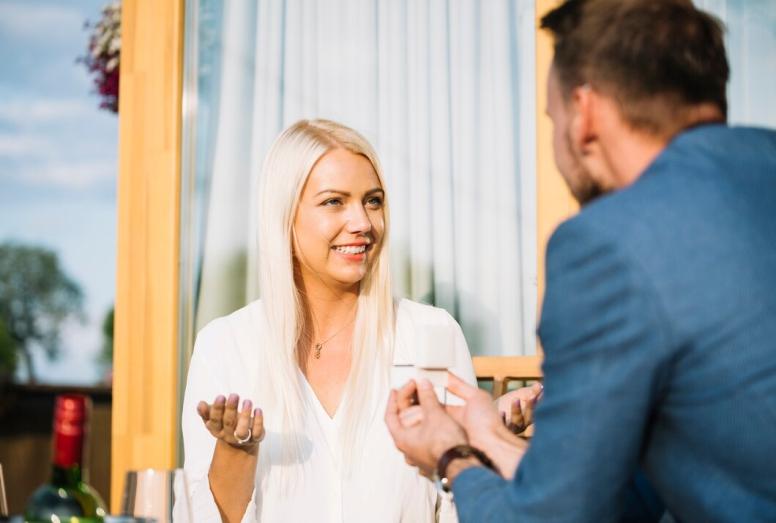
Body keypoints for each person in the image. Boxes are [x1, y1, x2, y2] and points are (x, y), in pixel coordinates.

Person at [385, 0, 776, 521]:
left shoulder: (608, 244)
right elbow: (625, 495)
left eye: (552, 119)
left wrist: (448, 455)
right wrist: (489, 438)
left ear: (584, 112)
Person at [181, 119, 504, 522]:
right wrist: (237, 451)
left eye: (373, 201)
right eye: (334, 201)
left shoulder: (432, 335)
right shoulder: (225, 346)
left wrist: (484, 445)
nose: (363, 223)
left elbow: (465, 509)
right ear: (284, 216)